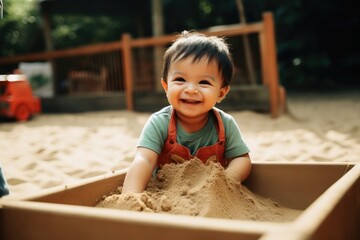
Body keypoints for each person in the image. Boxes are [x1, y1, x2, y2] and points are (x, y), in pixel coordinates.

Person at [122, 31, 251, 193]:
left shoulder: (224, 124)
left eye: (204, 82)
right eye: (180, 80)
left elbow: (241, 159)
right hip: (165, 193)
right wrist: (130, 196)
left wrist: (223, 183)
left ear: (221, 93)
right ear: (166, 86)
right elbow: (145, 160)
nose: (190, 89)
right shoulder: (159, 122)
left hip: (210, 193)